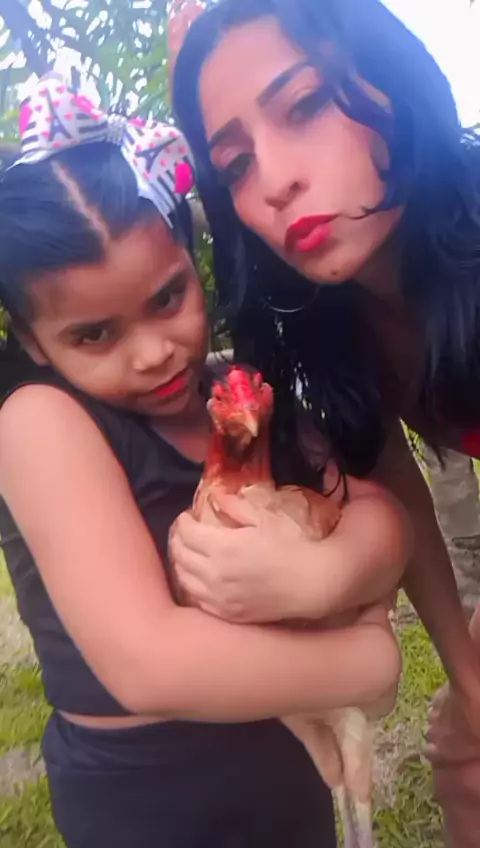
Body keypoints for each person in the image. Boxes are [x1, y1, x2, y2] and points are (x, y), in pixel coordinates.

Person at [0, 75, 408, 848]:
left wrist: (329, 573)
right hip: (153, 802)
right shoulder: (41, 423)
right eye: (94, 334)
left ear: (193, 260)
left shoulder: (232, 393)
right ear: (32, 342)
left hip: (283, 760)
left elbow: (379, 512)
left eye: (167, 299)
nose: (154, 354)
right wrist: (365, 662)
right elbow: (147, 662)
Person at [169, 0, 480, 842]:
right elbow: (400, 492)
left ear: (390, 79)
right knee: (467, 754)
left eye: (304, 104)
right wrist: (468, 677)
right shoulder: (330, 322)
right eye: (235, 163)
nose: (272, 181)